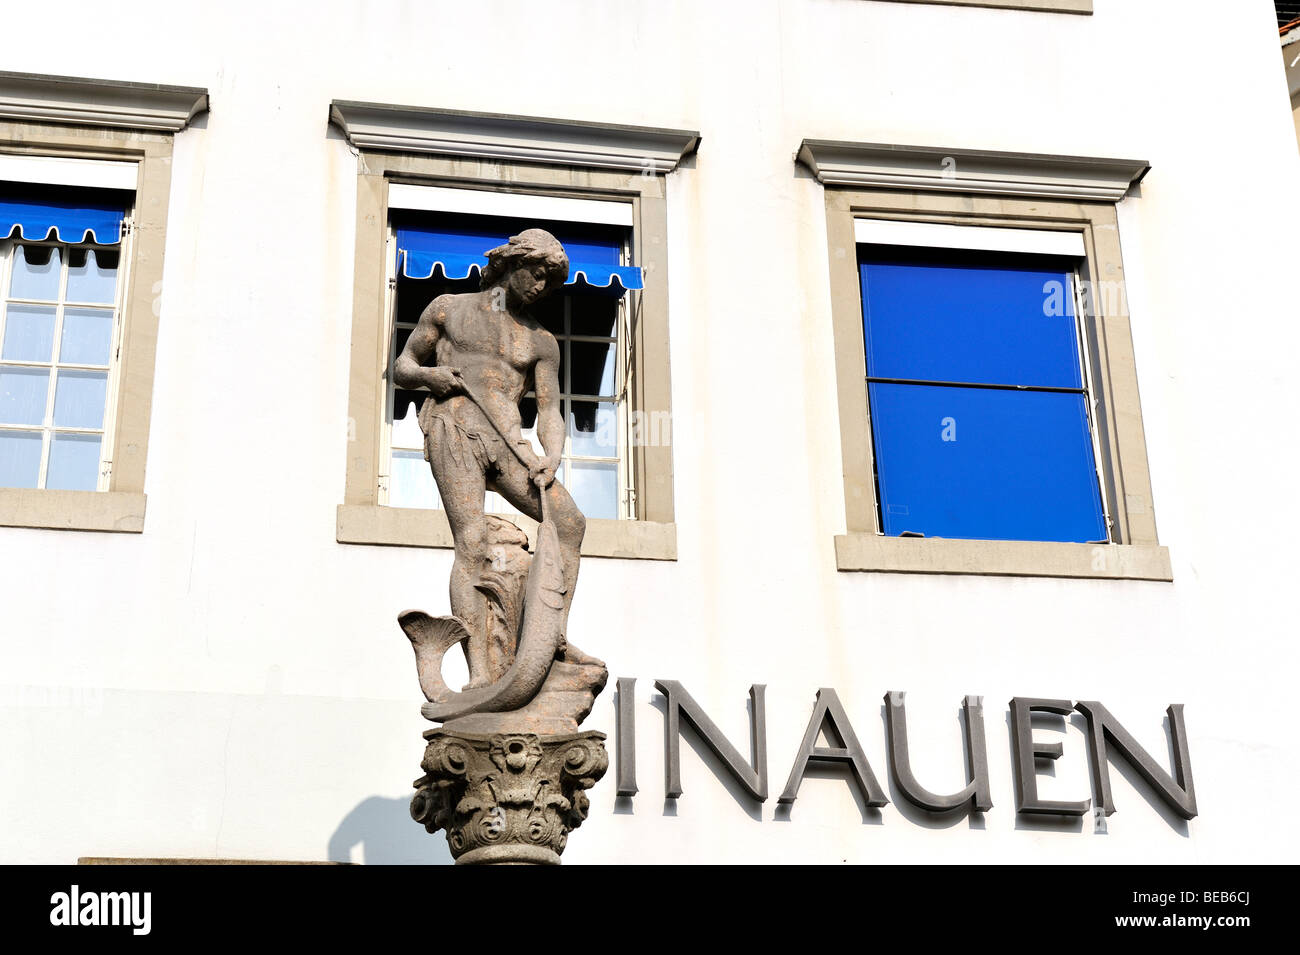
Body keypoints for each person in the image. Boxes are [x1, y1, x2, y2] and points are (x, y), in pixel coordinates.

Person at [393, 228, 595, 689]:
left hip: (508, 440)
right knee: (472, 541)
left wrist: (553, 454)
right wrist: (430, 376)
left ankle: (554, 641)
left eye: (550, 280)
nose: (541, 286)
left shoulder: (543, 341)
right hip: (454, 425)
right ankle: (479, 669)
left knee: (570, 524)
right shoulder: (448, 307)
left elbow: (549, 410)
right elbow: (402, 367)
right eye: (537, 273)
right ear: (512, 263)